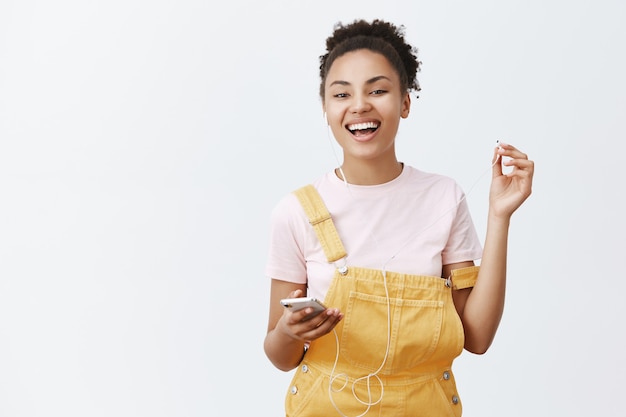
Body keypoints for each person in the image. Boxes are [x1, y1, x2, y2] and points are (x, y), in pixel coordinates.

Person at [263, 19, 534, 416]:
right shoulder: (296, 211)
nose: (360, 105)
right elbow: (279, 355)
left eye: (378, 90)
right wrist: (288, 332)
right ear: (325, 107)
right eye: (342, 94)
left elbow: (476, 336)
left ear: (405, 102)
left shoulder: (444, 196)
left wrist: (499, 217)